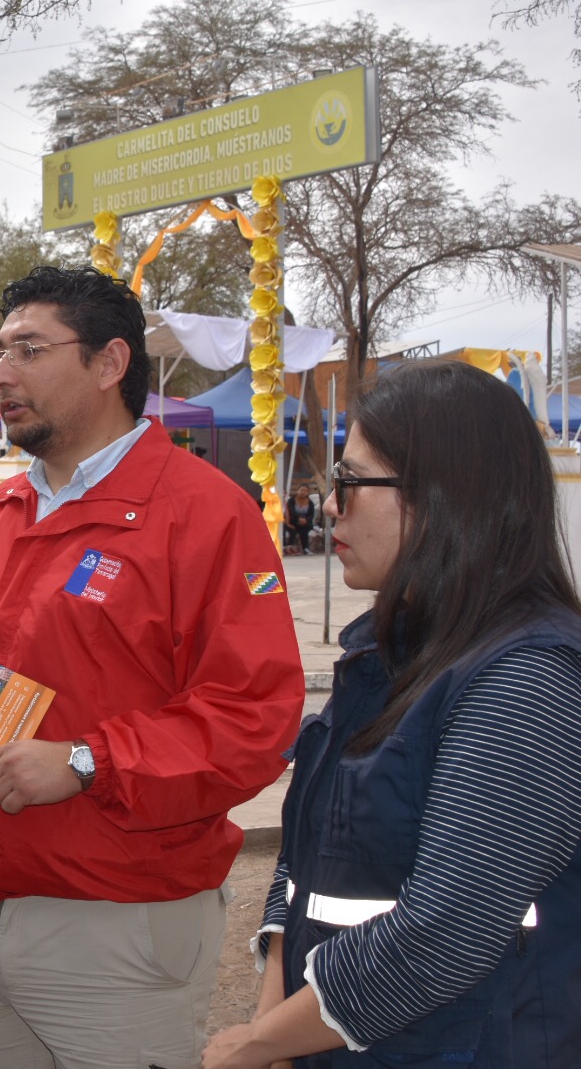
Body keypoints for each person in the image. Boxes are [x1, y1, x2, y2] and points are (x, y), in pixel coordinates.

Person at [0, 266, 303, 1069]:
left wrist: (83, 761)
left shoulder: (207, 515)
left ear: (109, 364)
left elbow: (252, 717)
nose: (0, 375)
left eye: (28, 351)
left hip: (119, 923)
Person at [204, 361, 581, 1069]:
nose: (328, 502)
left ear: (443, 496)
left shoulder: (526, 678)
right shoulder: (382, 653)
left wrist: (260, 1043)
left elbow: (449, 927)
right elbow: (305, 861)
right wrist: (279, 1026)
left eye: (349, 481)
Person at [285, 482, 318, 555]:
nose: (303, 492)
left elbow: (311, 515)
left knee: (304, 529)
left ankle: (305, 548)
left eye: (305, 491)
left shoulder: (310, 503)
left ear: (307, 492)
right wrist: (298, 519)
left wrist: (305, 520)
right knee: (292, 529)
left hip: (304, 522)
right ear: (298, 491)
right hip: (293, 521)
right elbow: (291, 511)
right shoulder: (292, 500)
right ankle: (290, 548)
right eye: (301, 490)